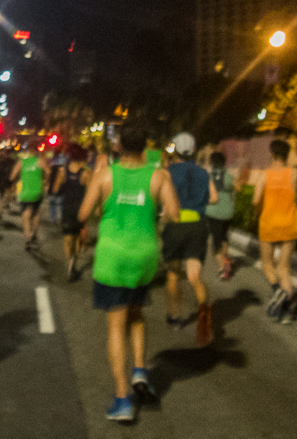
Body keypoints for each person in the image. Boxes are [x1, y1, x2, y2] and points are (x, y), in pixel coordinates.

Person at [79, 122, 180, 423]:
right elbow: (173, 214)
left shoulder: (105, 175)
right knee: (137, 315)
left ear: (119, 144)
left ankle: (123, 398)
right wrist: (152, 211)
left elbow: (83, 214)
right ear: (145, 145)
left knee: (116, 324)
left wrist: (100, 202)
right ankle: (140, 370)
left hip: (113, 258)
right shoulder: (159, 175)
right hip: (144, 257)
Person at [162, 132, 217, 348]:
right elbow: (214, 197)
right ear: (193, 151)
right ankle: (205, 317)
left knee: (174, 273)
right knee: (195, 275)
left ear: (174, 150)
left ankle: (174, 316)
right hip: (197, 226)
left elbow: (162, 199)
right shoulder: (203, 172)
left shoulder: (167, 173)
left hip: (175, 225)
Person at [253, 139, 297, 324]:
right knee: (284, 267)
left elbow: (256, 199)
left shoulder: (264, 175)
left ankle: (278, 292)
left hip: (269, 223)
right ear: (287, 155)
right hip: (290, 223)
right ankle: (289, 312)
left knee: (267, 263)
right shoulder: (294, 174)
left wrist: (256, 211)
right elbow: (293, 194)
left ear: (271, 154)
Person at [53, 143, 91, 281]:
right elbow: (89, 193)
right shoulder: (86, 173)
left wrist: (63, 186)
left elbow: (56, 190)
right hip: (80, 209)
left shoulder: (63, 171)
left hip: (67, 208)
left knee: (68, 237)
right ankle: (73, 264)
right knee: (77, 237)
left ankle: (70, 263)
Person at [205, 151, 238, 280]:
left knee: (216, 240)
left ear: (212, 162)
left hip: (212, 212)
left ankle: (222, 268)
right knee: (224, 236)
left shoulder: (208, 176)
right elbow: (235, 187)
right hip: (227, 212)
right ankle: (226, 256)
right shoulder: (229, 175)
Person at [12, 146, 48, 249]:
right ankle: (35, 234)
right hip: (37, 192)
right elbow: (48, 172)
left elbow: (12, 176)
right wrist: (43, 179)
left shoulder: (21, 162)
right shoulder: (40, 161)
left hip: (25, 193)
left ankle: (27, 237)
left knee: (26, 214)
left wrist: (19, 177)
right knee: (35, 213)